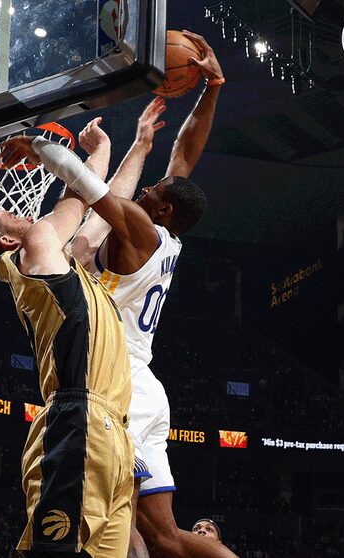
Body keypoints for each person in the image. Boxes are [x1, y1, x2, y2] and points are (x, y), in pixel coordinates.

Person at [72, 32, 237, 558]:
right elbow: (185, 152)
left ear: (162, 211)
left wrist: (46, 148)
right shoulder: (166, 232)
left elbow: (98, 195)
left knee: (131, 526)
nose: (146, 191)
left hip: (123, 387)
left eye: (152, 194)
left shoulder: (142, 232)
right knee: (154, 534)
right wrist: (213, 85)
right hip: (139, 386)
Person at [0, 135, 149, 557]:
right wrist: (42, 146)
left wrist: (118, 149)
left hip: (111, 431)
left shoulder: (61, 264)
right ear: (8, 242)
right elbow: (79, 198)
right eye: (8, 214)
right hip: (78, 421)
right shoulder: (36, 247)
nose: (20, 212)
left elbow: (102, 202)